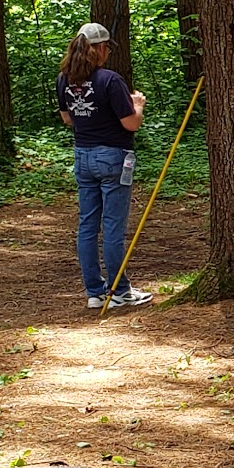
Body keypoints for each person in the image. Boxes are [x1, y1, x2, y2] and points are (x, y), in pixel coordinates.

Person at [57, 23, 154, 309]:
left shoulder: (64, 79)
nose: (109, 51)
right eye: (107, 46)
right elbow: (131, 123)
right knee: (112, 226)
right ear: (98, 49)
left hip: (83, 156)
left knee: (88, 224)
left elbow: (67, 118)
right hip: (113, 157)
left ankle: (95, 292)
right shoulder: (110, 80)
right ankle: (120, 291)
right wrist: (137, 104)